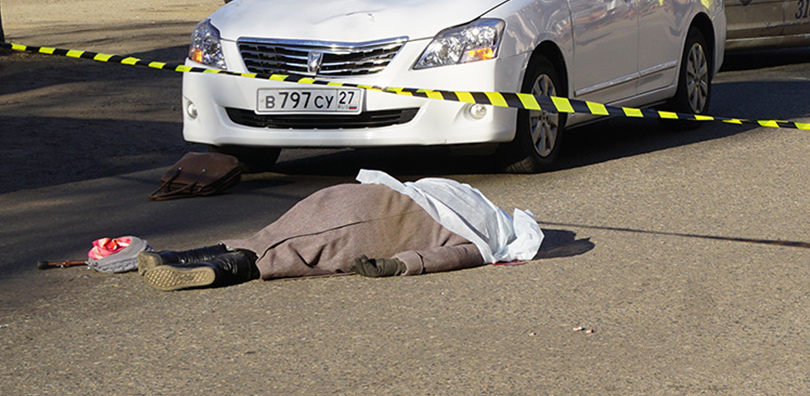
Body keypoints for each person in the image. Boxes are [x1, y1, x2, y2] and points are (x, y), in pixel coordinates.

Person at [136, 170, 542, 290]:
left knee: (274, 234)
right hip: (374, 228)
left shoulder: (457, 192)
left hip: (354, 196)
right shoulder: (485, 239)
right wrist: (398, 266)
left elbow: (408, 185)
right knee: (287, 256)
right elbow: (449, 257)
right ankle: (220, 270)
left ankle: (178, 256)